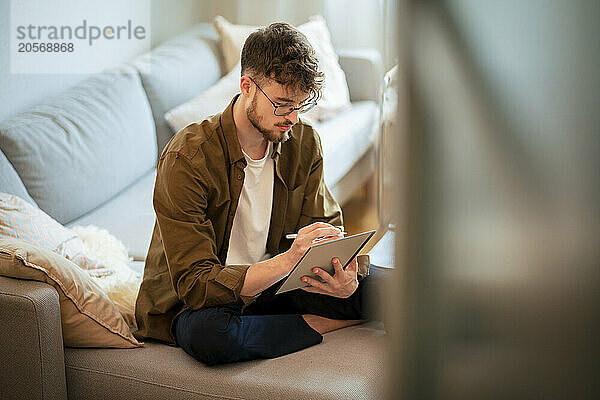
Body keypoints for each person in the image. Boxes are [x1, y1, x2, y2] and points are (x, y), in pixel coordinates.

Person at [134, 22, 384, 366]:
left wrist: (345, 278)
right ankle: (321, 324)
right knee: (212, 338)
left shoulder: (303, 141)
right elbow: (195, 284)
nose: (293, 118)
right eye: (282, 104)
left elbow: (325, 227)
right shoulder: (187, 157)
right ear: (247, 87)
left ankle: (279, 325)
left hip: (279, 288)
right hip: (205, 301)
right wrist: (288, 261)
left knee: (394, 288)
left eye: (301, 104)